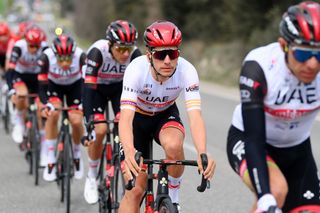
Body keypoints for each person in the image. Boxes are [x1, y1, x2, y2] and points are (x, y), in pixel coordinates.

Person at [226, 1, 320, 213]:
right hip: (250, 140)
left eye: (319, 54)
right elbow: (254, 139)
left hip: (297, 149)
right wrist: (265, 197)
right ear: (283, 45)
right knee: (275, 192)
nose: (312, 64)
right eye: (303, 54)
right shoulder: (259, 67)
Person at [118, 21, 215, 213]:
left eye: (173, 53)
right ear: (149, 56)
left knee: (174, 146)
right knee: (136, 191)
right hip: (137, 119)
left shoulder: (187, 71)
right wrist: (129, 151)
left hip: (164, 114)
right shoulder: (136, 70)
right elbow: (126, 117)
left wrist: (202, 152)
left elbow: (195, 116)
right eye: (161, 55)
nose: (168, 60)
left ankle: (173, 195)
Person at [82, 20, 142, 204]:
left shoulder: (135, 54)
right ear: (110, 45)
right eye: (120, 49)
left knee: (124, 124)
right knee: (100, 130)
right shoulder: (97, 52)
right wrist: (89, 122)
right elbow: (88, 90)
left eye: (128, 48)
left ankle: (122, 163)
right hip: (97, 89)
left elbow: (139, 87)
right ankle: (92, 177)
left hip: (119, 89)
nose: (125, 53)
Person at [38, 34, 86, 181]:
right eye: (61, 59)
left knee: (76, 120)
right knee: (53, 114)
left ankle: (77, 155)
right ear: (55, 55)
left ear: (73, 54)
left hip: (75, 87)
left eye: (68, 59)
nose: (65, 63)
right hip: (54, 86)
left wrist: (83, 103)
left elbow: (88, 83)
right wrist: (46, 104)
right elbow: (41, 86)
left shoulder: (81, 56)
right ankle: (51, 157)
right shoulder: (46, 57)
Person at [6, 25, 47, 145]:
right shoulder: (19, 46)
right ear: (26, 42)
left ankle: (40, 133)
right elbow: (10, 70)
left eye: (37, 46)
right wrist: (11, 89)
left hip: (37, 77)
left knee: (41, 106)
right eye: (31, 46)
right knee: (22, 95)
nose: (34, 49)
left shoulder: (45, 48)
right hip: (21, 74)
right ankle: (19, 122)